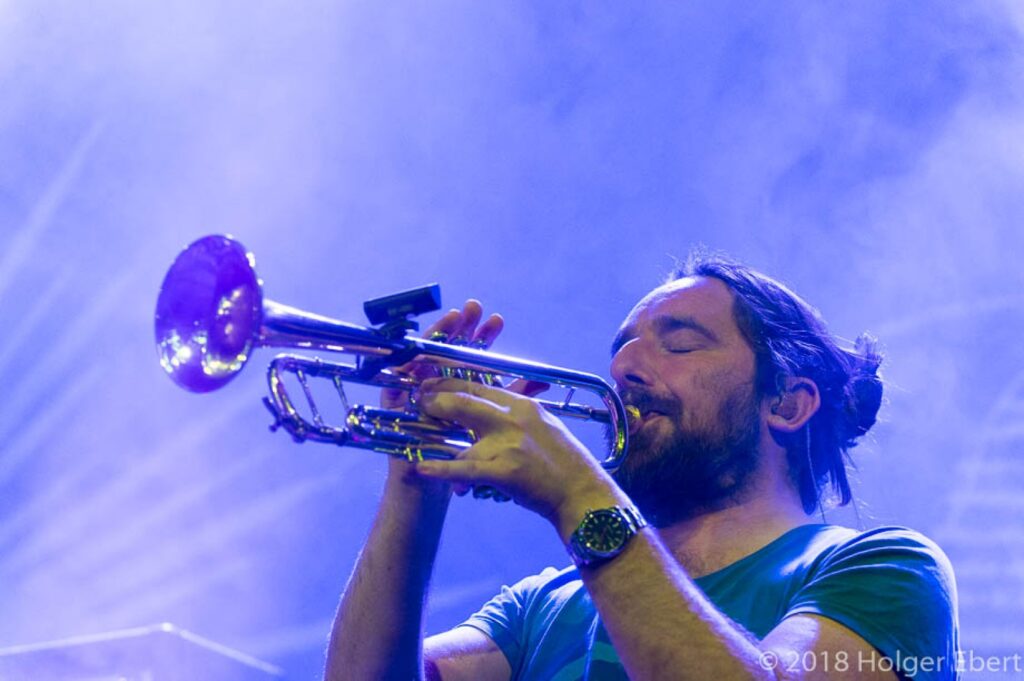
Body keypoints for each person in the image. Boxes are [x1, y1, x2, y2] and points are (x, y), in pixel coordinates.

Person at [325, 253, 960, 681]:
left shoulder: (886, 567)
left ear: (787, 404)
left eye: (678, 344)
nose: (624, 367)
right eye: (623, 349)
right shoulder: (543, 604)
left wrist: (578, 495)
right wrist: (416, 475)